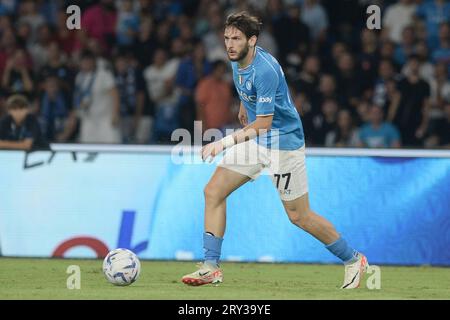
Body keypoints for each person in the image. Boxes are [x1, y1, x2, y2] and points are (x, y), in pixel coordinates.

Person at [182, 12, 368, 289]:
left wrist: (223, 142)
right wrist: (246, 104)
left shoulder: (264, 69)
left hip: (283, 145)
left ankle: (353, 259)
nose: (229, 44)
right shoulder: (237, 58)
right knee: (213, 191)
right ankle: (210, 267)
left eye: (236, 39)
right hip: (258, 142)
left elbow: (265, 124)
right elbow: (247, 89)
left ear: (252, 41)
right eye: (227, 38)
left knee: (299, 217)